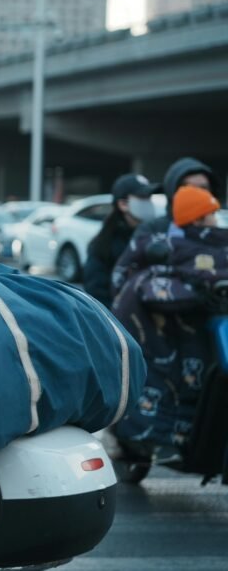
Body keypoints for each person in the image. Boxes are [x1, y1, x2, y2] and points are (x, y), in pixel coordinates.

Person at [111, 185, 228, 456]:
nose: (216, 220)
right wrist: (201, 289)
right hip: (172, 338)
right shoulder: (169, 248)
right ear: (197, 219)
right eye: (211, 214)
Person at [112, 157, 219, 297]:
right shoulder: (152, 231)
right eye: (188, 187)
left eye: (204, 188)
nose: (196, 193)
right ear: (172, 190)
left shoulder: (219, 232)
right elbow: (125, 281)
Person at [82, 173, 159, 307]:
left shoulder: (156, 235)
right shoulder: (103, 245)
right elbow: (96, 293)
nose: (148, 202)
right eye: (142, 197)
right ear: (123, 204)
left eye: (149, 198)